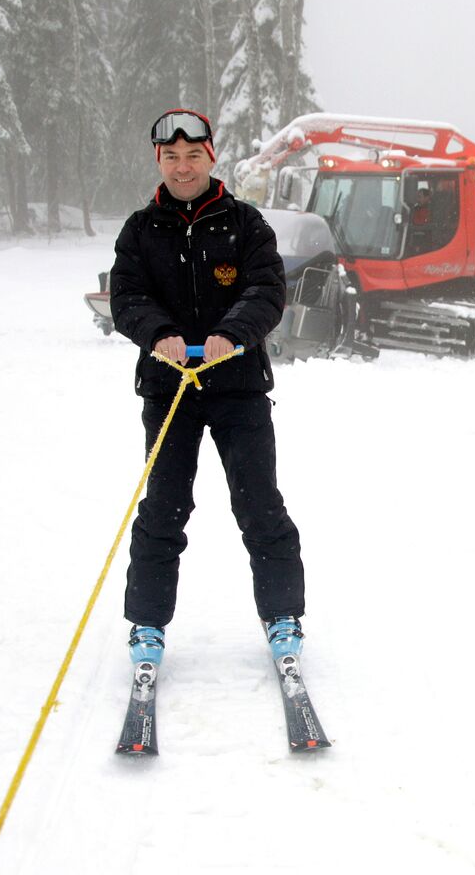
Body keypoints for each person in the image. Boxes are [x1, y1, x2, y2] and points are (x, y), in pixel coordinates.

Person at [109, 108, 306, 670]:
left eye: (193, 155)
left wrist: (230, 335)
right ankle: (147, 623)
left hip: (238, 387)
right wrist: (161, 336)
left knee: (259, 504)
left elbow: (267, 290)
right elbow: (127, 298)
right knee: (164, 508)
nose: (182, 166)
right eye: (171, 157)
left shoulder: (246, 224)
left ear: (210, 157)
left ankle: (283, 615)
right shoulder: (140, 229)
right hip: (169, 390)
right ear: (159, 161)